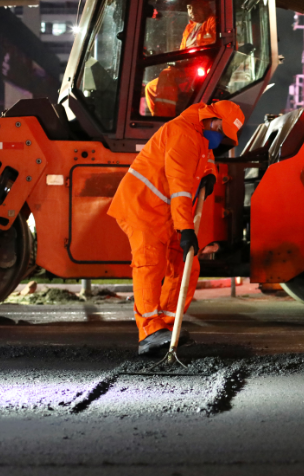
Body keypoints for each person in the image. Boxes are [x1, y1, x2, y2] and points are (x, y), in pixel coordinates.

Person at [108, 100, 244, 355]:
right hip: (142, 207)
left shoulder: (199, 132)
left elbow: (205, 157)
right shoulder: (183, 134)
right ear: (214, 120)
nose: (221, 140)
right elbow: (180, 188)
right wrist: (187, 230)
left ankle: (168, 328)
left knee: (186, 266)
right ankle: (149, 332)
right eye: (222, 132)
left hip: (163, 211)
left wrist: (210, 173)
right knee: (150, 264)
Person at [145, 0, 217, 116]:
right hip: (185, 67)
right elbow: (183, 50)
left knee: (166, 75)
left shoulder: (213, 22)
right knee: (151, 87)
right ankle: (157, 117)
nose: (192, 11)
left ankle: (165, 118)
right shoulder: (189, 27)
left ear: (205, 7)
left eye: (196, 7)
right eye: (189, 8)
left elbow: (213, 48)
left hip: (198, 70)